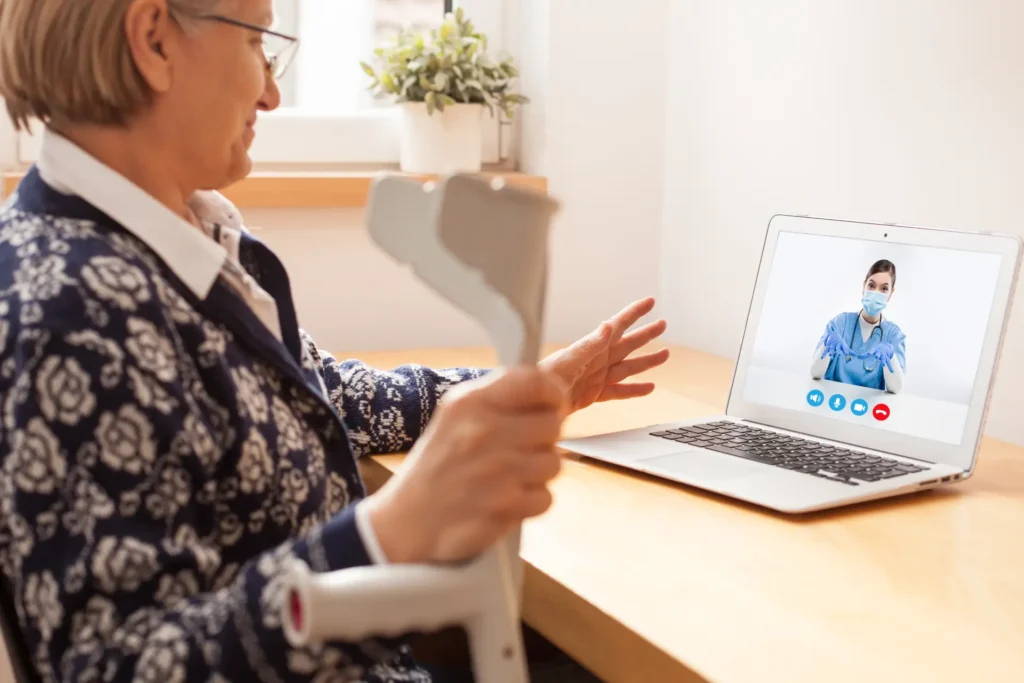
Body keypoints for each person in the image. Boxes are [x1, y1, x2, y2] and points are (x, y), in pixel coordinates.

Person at [0, 1, 670, 681]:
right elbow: (115, 667)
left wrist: (541, 386)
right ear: (154, 40)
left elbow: (334, 400)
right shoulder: (66, 312)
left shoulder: (183, 237)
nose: (271, 90)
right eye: (258, 43)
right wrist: (390, 531)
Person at [810, 259, 906, 393]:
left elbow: (896, 389)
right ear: (863, 286)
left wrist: (891, 357)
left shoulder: (893, 335)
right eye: (871, 286)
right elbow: (814, 373)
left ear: (891, 294)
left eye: (884, 289)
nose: (876, 293)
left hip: (866, 409)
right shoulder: (840, 323)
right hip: (831, 403)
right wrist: (826, 346)